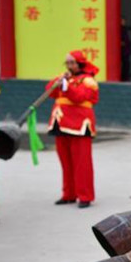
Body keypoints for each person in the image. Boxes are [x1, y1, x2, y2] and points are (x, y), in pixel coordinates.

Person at [47, 51, 99, 208]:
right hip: (61, 122)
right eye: (67, 63)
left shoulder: (89, 81)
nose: (69, 66)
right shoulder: (65, 78)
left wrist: (66, 86)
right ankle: (68, 194)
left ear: (80, 64)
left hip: (80, 125)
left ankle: (85, 196)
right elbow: (50, 91)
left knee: (81, 163)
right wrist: (59, 81)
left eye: (72, 63)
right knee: (66, 162)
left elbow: (79, 97)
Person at [120, 17, 131, 82]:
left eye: (124, 21)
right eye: (122, 21)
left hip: (126, 50)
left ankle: (126, 77)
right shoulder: (118, 29)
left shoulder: (125, 29)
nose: (123, 22)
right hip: (121, 50)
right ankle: (123, 77)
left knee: (126, 64)